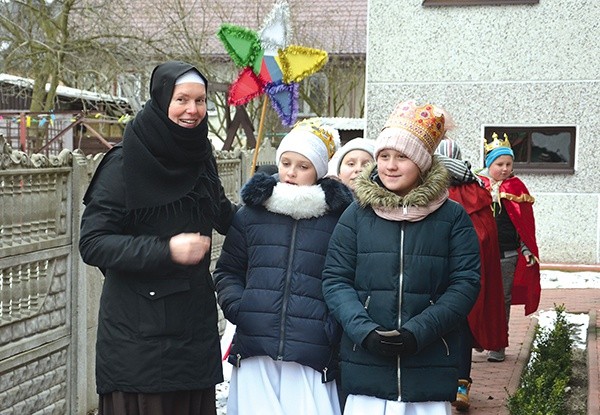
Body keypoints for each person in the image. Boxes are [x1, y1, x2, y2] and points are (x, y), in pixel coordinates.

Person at [79, 61, 236, 415]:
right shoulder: (124, 163)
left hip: (192, 330)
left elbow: (222, 213)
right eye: (182, 99)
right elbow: (93, 242)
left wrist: (276, 203)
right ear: (161, 99)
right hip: (138, 340)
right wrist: (167, 250)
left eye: (200, 100)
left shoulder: (200, 155)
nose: (192, 110)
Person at [322, 100, 481, 415]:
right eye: (384, 156)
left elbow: (465, 283)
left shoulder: (452, 217)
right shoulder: (356, 215)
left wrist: (418, 332)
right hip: (365, 362)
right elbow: (335, 279)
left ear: (421, 163)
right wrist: (364, 331)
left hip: (429, 362)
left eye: (402, 157)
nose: (390, 166)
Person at [214, 119, 353, 415]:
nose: (291, 172)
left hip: (312, 348)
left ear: (318, 170)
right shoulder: (250, 214)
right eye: (286, 162)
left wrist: (330, 323)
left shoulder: (338, 219)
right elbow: (228, 270)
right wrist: (241, 307)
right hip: (256, 344)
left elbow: (347, 277)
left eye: (303, 166)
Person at [435, 138, 508, 411]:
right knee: (463, 324)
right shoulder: (478, 190)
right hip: (468, 275)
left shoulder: (427, 188)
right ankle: (461, 384)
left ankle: (443, 382)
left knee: (440, 327)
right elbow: (486, 237)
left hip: (438, 274)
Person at [476, 132, 541, 363]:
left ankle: (498, 345)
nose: (504, 169)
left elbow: (524, 226)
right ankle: (478, 339)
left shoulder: (517, 188)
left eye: (508, 164)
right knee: (477, 297)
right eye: (499, 164)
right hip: (479, 255)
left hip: (507, 255)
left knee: (501, 301)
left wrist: (526, 250)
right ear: (488, 164)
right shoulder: (476, 186)